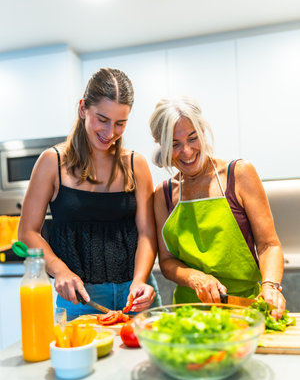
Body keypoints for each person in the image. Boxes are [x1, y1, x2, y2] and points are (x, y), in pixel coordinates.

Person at [18, 67, 161, 316]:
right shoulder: (52, 162)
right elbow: (27, 232)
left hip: (136, 292)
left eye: (120, 123)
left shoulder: (135, 164)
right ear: (83, 108)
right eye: (102, 120)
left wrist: (140, 280)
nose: (110, 133)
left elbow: (147, 233)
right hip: (80, 298)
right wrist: (59, 269)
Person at [149, 96, 286, 318]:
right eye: (174, 144)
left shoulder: (239, 174)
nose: (187, 151)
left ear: (203, 132)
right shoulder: (162, 194)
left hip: (244, 309)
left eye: (192, 138)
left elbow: (268, 245)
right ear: (162, 146)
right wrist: (195, 278)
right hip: (188, 314)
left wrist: (270, 286)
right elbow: (166, 261)